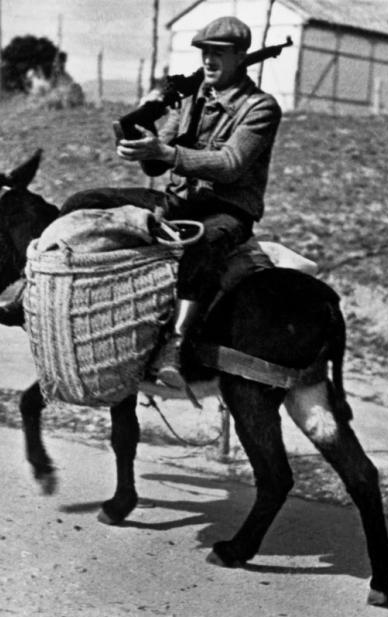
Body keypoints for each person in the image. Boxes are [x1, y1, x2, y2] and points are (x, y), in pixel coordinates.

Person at [116, 15, 282, 389]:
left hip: (227, 210)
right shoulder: (190, 99)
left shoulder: (260, 107)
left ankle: (175, 344)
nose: (208, 60)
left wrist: (166, 152)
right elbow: (158, 161)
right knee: (98, 205)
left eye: (219, 53)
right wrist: (142, 141)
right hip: (179, 201)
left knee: (201, 245)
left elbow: (230, 165)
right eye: (204, 52)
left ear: (241, 56)